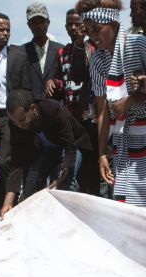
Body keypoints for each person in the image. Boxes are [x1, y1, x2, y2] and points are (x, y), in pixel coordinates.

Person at [80, 0, 146, 207]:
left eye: (97, 29)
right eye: (89, 31)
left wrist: (132, 100)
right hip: (125, 139)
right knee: (126, 206)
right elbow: (102, 112)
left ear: (114, 24)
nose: (93, 37)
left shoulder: (140, 44)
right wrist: (101, 155)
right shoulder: (97, 60)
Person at [1, 90, 92, 218]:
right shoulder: (17, 122)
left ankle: (71, 219)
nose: (19, 126)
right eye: (16, 123)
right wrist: (8, 202)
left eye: (22, 120)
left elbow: (70, 146)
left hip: (72, 145)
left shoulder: (52, 109)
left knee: (65, 185)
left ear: (32, 109)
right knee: (34, 185)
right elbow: (17, 160)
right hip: (47, 150)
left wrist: (61, 178)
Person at [46, 9, 101, 196]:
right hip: (73, 122)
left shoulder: (96, 48)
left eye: (78, 23)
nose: (74, 27)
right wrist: (52, 82)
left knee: (94, 172)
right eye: (70, 24)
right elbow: (57, 79)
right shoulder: (61, 52)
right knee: (74, 170)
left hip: (94, 120)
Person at [0, 12, 32, 214]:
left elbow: (25, 87)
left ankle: (8, 204)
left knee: (5, 161)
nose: (5, 33)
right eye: (1, 29)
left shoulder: (17, 55)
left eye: (8, 30)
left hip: (7, 118)